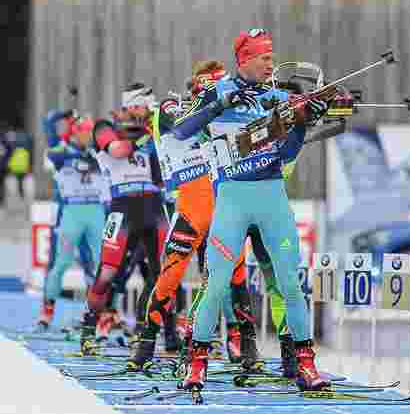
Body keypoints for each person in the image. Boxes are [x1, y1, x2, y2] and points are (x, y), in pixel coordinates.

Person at [173, 28, 333, 391]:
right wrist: (219, 104)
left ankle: (306, 365)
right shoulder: (218, 90)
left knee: (291, 284)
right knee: (216, 286)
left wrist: (302, 123)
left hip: (272, 197)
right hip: (232, 199)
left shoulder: (278, 98)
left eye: (272, 57)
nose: (270, 64)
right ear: (245, 59)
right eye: (264, 58)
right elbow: (181, 131)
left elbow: (287, 154)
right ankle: (196, 364)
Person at [129, 60, 296, 377]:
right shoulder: (173, 107)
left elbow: (263, 139)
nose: (225, 91)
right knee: (170, 276)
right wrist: (218, 103)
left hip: (223, 205)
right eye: (216, 86)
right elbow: (180, 123)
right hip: (191, 208)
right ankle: (145, 344)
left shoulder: (229, 117)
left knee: (235, 277)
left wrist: (288, 115)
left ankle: (246, 346)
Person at [79, 83, 172, 355]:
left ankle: (159, 334)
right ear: (129, 107)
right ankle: (88, 329)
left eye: (147, 108)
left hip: (153, 207)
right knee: (107, 273)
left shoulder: (155, 130)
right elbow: (117, 150)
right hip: (122, 209)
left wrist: (158, 134)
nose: (143, 113)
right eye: (139, 107)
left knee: (164, 274)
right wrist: (146, 136)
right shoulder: (104, 127)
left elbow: (161, 174)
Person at [36, 110, 106, 330]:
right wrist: (76, 156)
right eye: (85, 132)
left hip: (96, 211)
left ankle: (94, 314)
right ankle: (47, 312)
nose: (89, 137)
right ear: (76, 133)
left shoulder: (97, 151)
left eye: (91, 133)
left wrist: (92, 158)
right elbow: (53, 154)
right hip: (72, 211)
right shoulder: (63, 149)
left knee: (99, 264)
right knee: (62, 262)